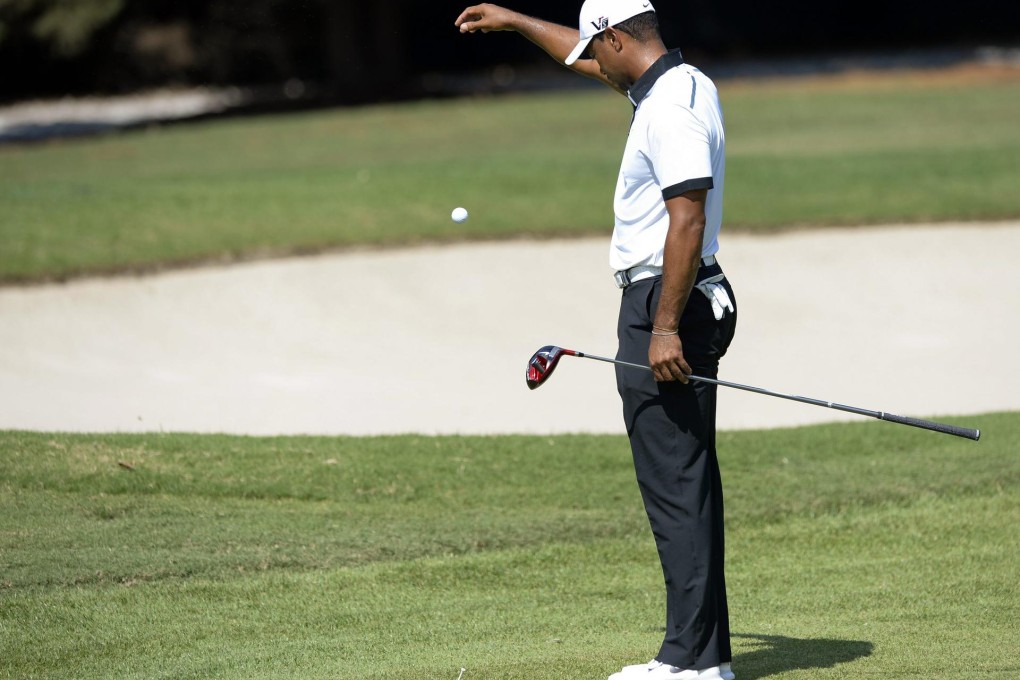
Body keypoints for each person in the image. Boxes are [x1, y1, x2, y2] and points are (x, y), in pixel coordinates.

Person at [456, 1, 738, 679]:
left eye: (596, 47)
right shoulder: (682, 83)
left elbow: (687, 219)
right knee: (687, 478)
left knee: (674, 482)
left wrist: (664, 326)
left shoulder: (668, 111)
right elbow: (585, 60)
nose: (592, 61)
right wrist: (518, 23)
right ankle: (706, 658)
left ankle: (689, 665)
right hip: (681, 295)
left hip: (666, 300)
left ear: (616, 37)